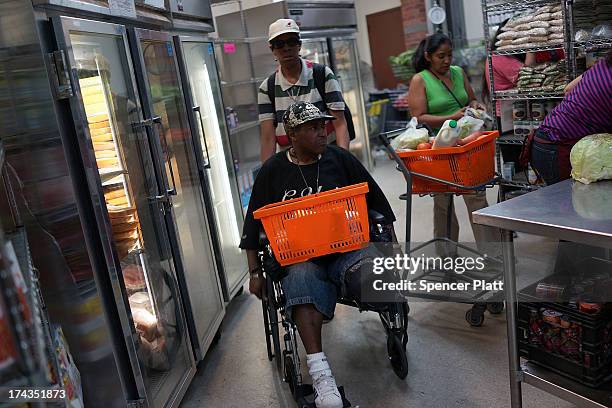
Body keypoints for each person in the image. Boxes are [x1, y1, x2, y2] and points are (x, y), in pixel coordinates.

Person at [240, 101, 395, 408]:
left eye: (323, 125)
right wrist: (255, 273)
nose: (323, 132)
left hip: (347, 249)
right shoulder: (273, 171)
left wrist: (389, 250)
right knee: (300, 282)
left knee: (371, 276)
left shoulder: (340, 159)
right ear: (292, 135)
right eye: (312, 128)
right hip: (300, 257)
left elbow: (378, 204)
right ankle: (322, 377)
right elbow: (252, 228)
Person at [406, 33, 494, 254]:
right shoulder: (420, 80)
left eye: (449, 55)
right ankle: (446, 255)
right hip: (439, 149)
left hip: (466, 145)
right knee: (443, 203)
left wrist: (475, 106)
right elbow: (418, 116)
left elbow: (471, 99)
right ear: (428, 56)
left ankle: (493, 254)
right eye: (440, 56)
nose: (447, 61)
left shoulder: (458, 73)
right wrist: (451, 117)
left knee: (476, 196)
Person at [258, 19, 350, 162]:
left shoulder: (322, 75)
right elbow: (268, 139)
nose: (286, 48)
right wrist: (266, 178)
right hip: (292, 164)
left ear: (299, 45)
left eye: (292, 41)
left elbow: (340, 123)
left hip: (327, 155)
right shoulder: (267, 88)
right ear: (272, 49)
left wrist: (342, 162)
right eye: (279, 44)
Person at [527, 51, 612, 185]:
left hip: (545, 139)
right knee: (566, 202)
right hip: (557, 148)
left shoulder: (603, 64)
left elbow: (568, 89)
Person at [483, 19, 536, 132]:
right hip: (508, 116)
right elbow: (527, 77)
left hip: (512, 113)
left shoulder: (497, 55)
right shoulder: (499, 57)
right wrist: (531, 43)